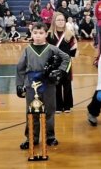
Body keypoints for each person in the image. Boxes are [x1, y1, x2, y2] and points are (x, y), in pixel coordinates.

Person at [16, 22, 71, 150]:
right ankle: (31, 138)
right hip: (31, 85)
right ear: (31, 34)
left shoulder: (52, 48)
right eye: (35, 33)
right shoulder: (27, 50)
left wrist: (61, 71)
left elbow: (67, 58)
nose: (38, 36)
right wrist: (19, 84)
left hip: (48, 84)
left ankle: (50, 137)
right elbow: (20, 68)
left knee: (50, 111)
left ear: (46, 34)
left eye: (41, 33)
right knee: (31, 112)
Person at [47, 12, 77, 113]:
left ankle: (67, 105)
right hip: (54, 63)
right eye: (58, 20)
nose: (61, 22)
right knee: (56, 84)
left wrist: (70, 56)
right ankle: (58, 106)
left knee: (67, 84)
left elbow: (73, 48)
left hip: (66, 63)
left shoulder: (69, 34)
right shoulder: (49, 35)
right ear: (54, 21)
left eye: (62, 20)